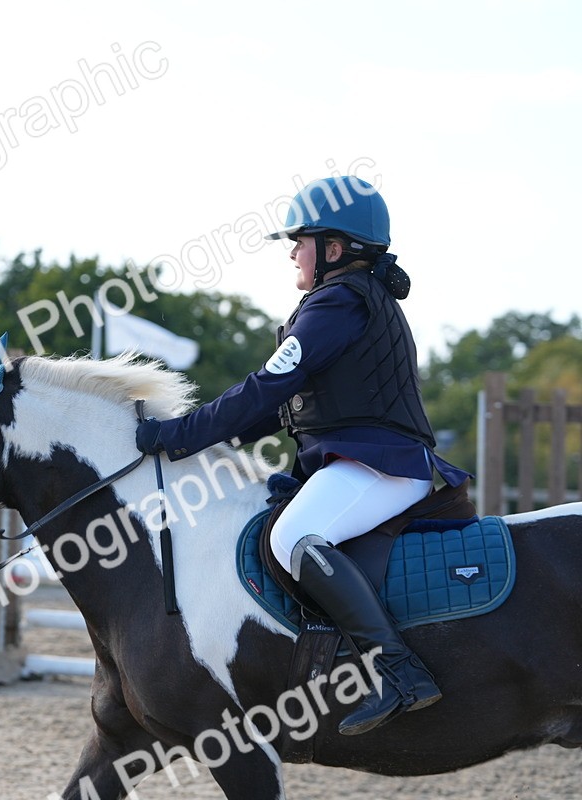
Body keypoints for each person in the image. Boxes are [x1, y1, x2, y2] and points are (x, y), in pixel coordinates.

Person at [136, 176, 469, 736]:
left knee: (292, 539)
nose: (292, 251)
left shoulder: (338, 300)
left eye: (301, 241)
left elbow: (266, 386)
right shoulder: (353, 299)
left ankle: (400, 671)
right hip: (366, 461)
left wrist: (177, 434)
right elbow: (282, 407)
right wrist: (202, 440)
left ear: (333, 250)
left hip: (380, 465)